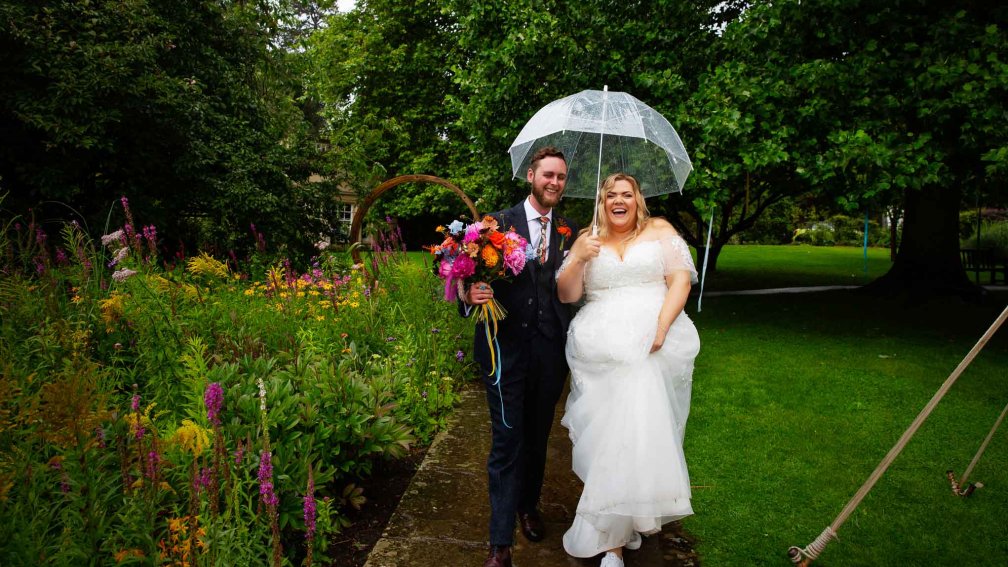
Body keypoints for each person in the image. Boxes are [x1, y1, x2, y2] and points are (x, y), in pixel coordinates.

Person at [555, 173, 699, 567]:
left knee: (634, 432)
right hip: (599, 348)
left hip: (652, 342)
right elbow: (568, 294)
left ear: (638, 199)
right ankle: (622, 526)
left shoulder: (660, 229)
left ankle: (613, 541)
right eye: (611, 195)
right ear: (601, 201)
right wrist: (579, 257)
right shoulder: (588, 237)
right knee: (608, 439)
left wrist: (660, 328)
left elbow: (681, 281)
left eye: (627, 194)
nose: (620, 201)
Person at [461, 146, 579, 567]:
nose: (554, 182)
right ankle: (500, 543)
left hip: (550, 355)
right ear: (531, 175)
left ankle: (528, 505)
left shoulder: (571, 231)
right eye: (548, 174)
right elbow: (465, 279)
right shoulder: (496, 225)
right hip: (503, 352)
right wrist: (469, 295)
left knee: (536, 438)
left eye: (562, 177)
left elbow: (573, 292)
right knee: (507, 441)